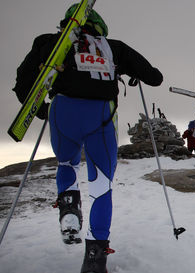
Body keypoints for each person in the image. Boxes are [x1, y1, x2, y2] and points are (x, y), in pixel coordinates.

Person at [12, 5, 162, 272]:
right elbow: (155, 78)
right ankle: (95, 258)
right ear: (100, 27)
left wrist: (42, 110)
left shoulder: (49, 43)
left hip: (63, 112)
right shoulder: (114, 47)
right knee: (101, 186)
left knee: (67, 164)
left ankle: (68, 210)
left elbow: (22, 81)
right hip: (100, 116)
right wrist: (134, 71)